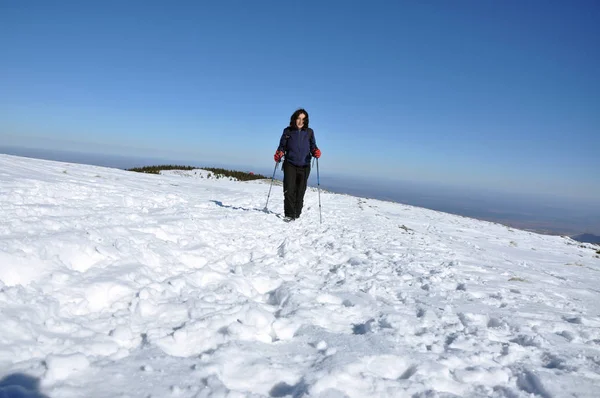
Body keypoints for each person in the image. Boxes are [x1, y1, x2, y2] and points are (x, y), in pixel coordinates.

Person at [273, 108, 321, 220]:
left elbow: (313, 147)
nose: (300, 121)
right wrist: (279, 153)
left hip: (305, 165)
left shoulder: (309, 132)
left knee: (300, 191)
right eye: (298, 118)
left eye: (303, 119)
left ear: (306, 121)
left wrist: (316, 152)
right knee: (289, 189)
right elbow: (282, 146)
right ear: (294, 119)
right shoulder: (287, 131)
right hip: (290, 164)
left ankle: (297, 213)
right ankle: (289, 214)